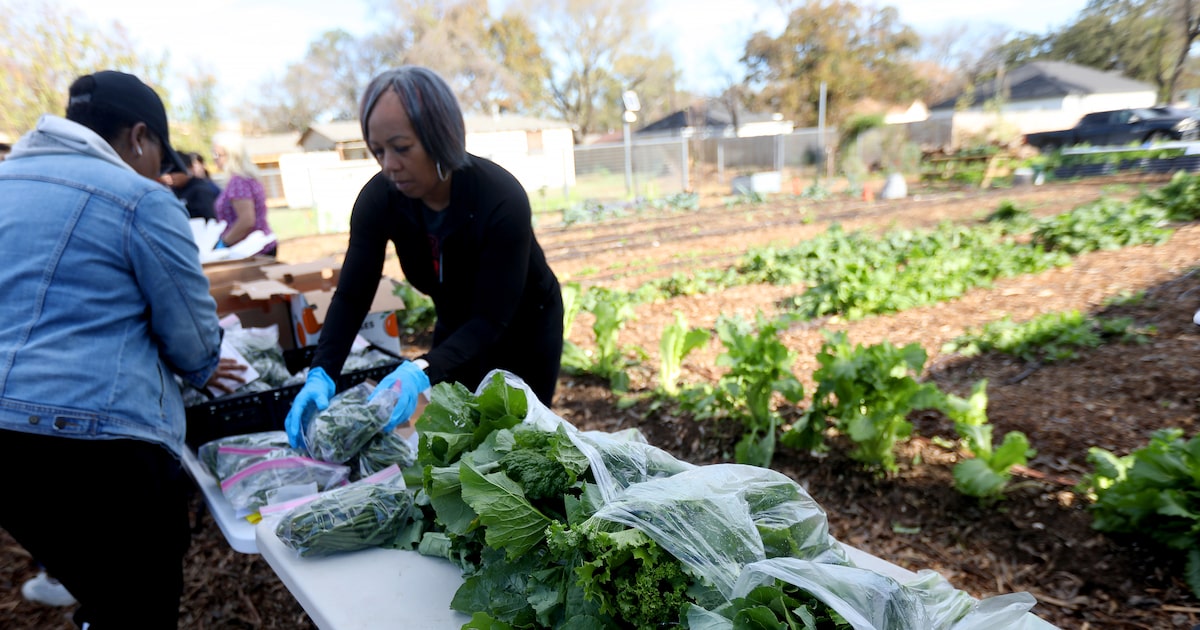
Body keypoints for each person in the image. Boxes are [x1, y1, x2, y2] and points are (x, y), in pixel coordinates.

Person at [0, 70, 243, 628]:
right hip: (95, 446)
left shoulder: (7, 181)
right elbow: (192, 333)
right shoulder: (137, 198)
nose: (162, 173)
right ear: (139, 137)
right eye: (160, 156)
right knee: (142, 602)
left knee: (102, 588)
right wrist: (206, 366)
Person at [284, 65, 563, 449]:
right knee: (460, 443)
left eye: (401, 148)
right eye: (378, 150)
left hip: (521, 326)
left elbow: (490, 318)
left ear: (439, 136)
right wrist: (322, 371)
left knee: (521, 448)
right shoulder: (380, 200)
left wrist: (421, 370)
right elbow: (353, 293)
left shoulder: (500, 198)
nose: (389, 164)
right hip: (457, 325)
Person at [211, 138, 275, 256]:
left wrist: (224, 242)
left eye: (217, 154)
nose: (214, 158)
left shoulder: (238, 181)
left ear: (231, 155)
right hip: (257, 247)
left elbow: (247, 220)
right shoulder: (245, 178)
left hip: (252, 250)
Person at [167, 152, 217, 220]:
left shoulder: (201, 190)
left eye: (176, 171)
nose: (172, 175)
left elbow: (211, 219)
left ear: (190, 168)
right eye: (169, 171)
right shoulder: (172, 191)